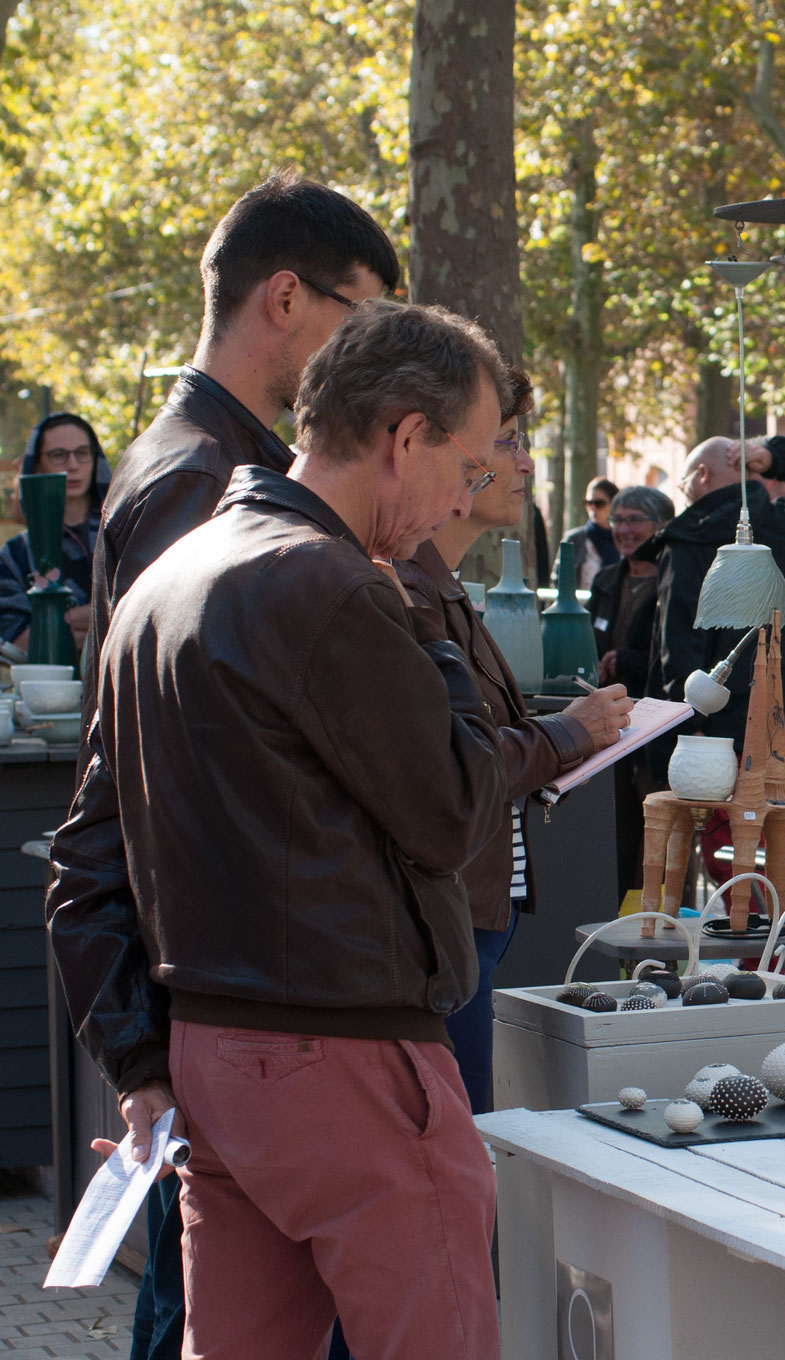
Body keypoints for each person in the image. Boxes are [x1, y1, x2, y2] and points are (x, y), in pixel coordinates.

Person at [48, 300, 512, 1359]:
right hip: (349, 1053)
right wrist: (427, 626)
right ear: (406, 436)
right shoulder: (341, 585)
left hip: (212, 1058)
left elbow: (84, 861)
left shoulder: (165, 582)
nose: (463, 497)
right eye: (470, 466)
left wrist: (139, 1064)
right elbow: (456, 814)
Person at [75, 172, 397, 1360]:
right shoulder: (206, 481)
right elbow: (167, 781)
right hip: (222, 1000)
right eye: (359, 322)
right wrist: (156, 1046)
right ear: (284, 298)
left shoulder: (202, 456)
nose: (374, 360)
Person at [397, 369, 633, 1116]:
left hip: (477, 910)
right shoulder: (406, 591)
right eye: (508, 440)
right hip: (446, 916)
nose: (526, 462)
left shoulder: (444, 588)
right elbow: (449, 765)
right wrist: (571, 733)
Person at [651, 435, 785, 907]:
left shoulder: (689, 538)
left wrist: (685, 722)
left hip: (724, 729)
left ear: (701, 477)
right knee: (781, 847)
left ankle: (768, 968)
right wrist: (775, 457)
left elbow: (679, 643)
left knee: (728, 851)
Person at [0, 413, 110, 651]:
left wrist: (56, 621)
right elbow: (17, 640)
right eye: (58, 455)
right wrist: (102, 617)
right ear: (37, 464)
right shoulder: (15, 555)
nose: (72, 465)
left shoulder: (123, 539)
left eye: (82, 453)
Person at [589, 483, 675, 697]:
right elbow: (588, 640)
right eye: (617, 520)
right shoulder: (604, 580)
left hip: (655, 710)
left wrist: (630, 662)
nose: (623, 530)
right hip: (606, 710)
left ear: (663, 525)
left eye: (635, 520)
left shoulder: (677, 582)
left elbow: (682, 658)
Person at [563, 475, 620, 589]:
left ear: (613, 504)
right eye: (588, 503)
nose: (592, 508)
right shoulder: (574, 539)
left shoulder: (624, 538)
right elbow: (560, 581)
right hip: (581, 606)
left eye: (599, 503)